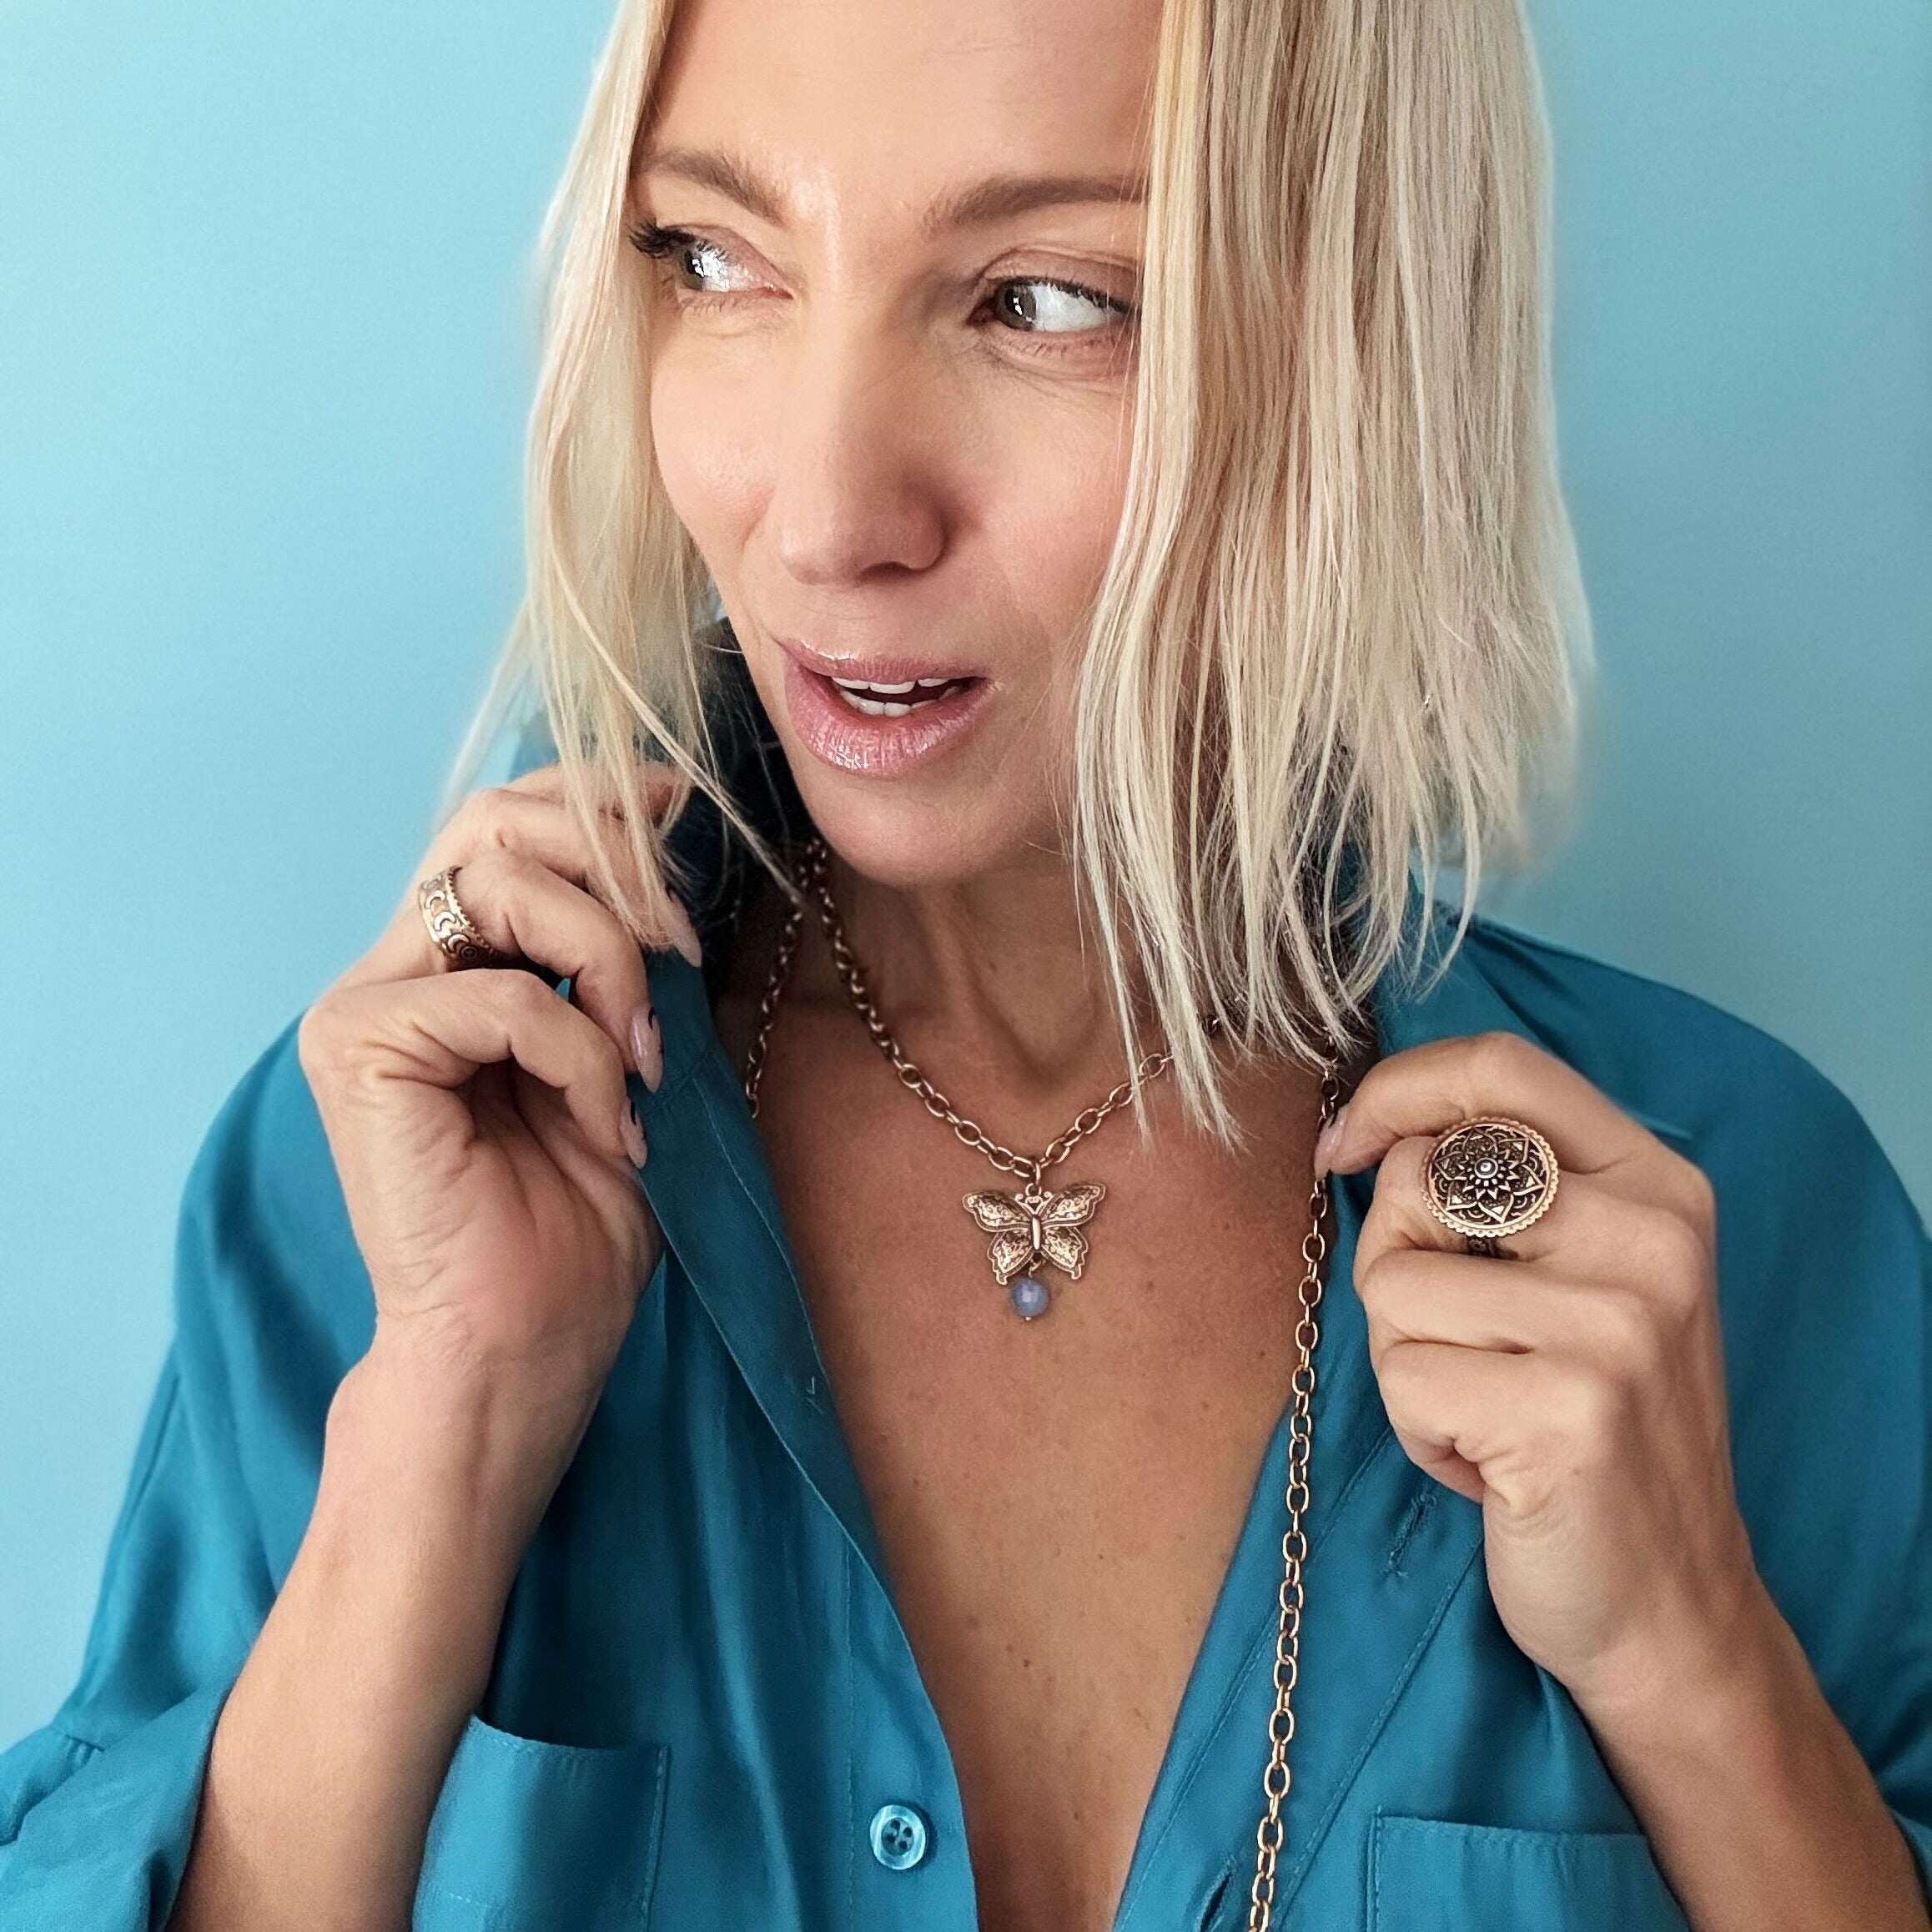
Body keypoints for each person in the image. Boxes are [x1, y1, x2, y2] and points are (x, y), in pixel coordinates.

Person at [3, 0, 1928, 1925]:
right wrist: (439, 1452)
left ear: (1357, 331)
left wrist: (1696, 1665)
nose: (829, 519)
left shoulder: (1747, 1226)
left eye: (1045, 301)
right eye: (720, 257)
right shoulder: (394, 1177)